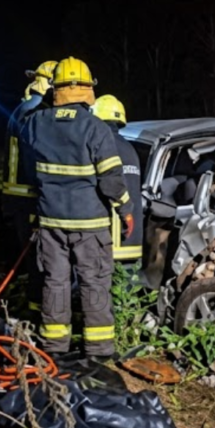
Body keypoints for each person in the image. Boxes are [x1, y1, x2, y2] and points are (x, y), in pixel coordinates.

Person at [21, 57, 133, 358]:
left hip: (50, 221)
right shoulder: (95, 128)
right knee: (93, 282)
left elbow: (29, 168)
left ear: (55, 89)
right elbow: (111, 179)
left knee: (54, 282)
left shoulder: (34, 124)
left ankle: (54, 346)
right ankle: (98, 349)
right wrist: (126, 209)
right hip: (90, 224)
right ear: (87, 89)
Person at [2, 60, 57, 313]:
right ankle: (38, 312)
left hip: (19, 196)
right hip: (29, 196)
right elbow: (39, 157)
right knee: (39, 259)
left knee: (34, 257)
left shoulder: (26, 107)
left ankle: (35, 306)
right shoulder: (37, 112)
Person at [91, 94, 142, 272]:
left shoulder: (105, 146)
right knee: (128, 292)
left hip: (112, 239)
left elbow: (109, 186)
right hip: (133, 241)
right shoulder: (129, 148)